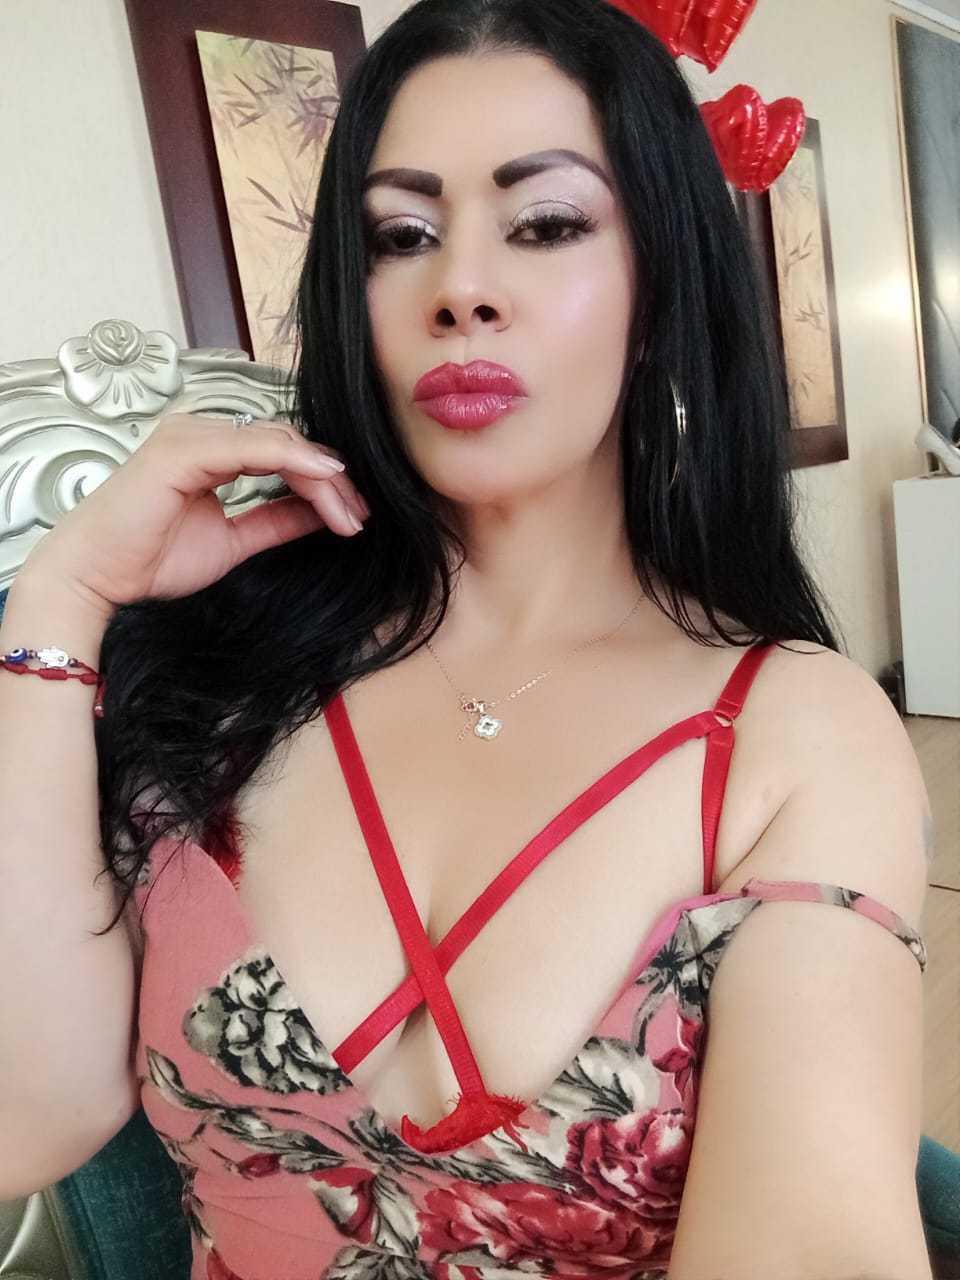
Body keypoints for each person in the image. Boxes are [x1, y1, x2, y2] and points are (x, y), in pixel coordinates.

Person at [0, 0, 936, 1276]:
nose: (461, 292)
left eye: (544, 224)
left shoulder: (794, 730)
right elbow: (29, 1121)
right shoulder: (212, 680)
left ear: (661, 284)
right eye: (403, 236)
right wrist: (60, 601)